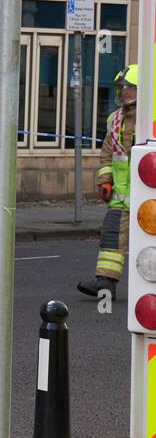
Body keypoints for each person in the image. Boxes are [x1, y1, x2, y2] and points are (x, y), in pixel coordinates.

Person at [79, 64, 138, 298]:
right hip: (121, 197)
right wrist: (105, 180)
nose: (125, 91)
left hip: (148, 196)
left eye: (130, 87)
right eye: (122, 87)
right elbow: (108, 152)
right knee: (112, 237)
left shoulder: (149, 120)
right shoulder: (115, 120)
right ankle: (105, 284)